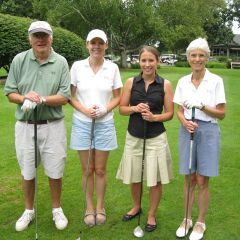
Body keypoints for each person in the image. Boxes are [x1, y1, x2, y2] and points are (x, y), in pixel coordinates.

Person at [4, 21, 70, 231]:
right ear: (29, 39)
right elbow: (10, 93)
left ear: (51, 38)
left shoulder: (60, 62)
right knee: (27, 171)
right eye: (36, 36)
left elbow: (64, 97)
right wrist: (25, 97)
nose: (40, 39)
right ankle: (28, 210)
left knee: (55, 170)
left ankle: (56, 209)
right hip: (25, 125)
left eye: (44, 35)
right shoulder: (19, 60)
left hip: (53, 125)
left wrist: (40, 99)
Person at [116, 46, 174, 232]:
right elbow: (122, 109)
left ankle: (151, 214)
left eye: (151, 60)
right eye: (144, 60)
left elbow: (170, 113)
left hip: (156, 137)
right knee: (135, 176)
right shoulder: (131, 82)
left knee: (154, 179)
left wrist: (155, 117)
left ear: (157, 61)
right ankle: (136, 206)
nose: (147, 64)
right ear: (139, 62)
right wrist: (135, 108)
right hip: (134, 136)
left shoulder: (165, 84)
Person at [173, 38, 226, 240]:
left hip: (208, 131)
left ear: (207, 57)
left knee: (203, 179)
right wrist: (184, 122)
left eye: (201, 55)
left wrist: (202, 106)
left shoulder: (216, 81)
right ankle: (186, 218)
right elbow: (179, 110)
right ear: (188, 58)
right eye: (193, 55)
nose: (197, 59)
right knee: (189, 177)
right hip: (188, 129)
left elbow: (221, 114)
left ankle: (200, 222)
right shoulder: (182, 81)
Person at [70, 29, 122, 227]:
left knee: (100, 169)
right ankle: (89, 207)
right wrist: (85, 110)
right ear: (87, 44)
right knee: (87, 169)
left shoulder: (112, 68)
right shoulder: (77, 67)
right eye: (93, 43)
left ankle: (100, 207)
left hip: (104, 123)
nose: (96, 47)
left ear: (106, 45)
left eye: (100, 43)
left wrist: (104, 109)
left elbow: (117, 96)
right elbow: (70, 96)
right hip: (82, 123)